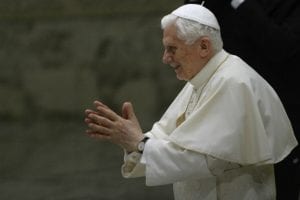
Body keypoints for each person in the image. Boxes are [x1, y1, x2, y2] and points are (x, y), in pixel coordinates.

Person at [84, 4, 298, 200]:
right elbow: (166, 134)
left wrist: (139, 144)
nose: (165, 58)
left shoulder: (233, 83)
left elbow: (204, 159)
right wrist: (132, 141)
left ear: (204, 46)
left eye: (172, 48)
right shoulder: (202, 78)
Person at [184, 0, 300, 199]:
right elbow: (189, 32)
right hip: (224, 111)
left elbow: (282, 45)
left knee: (281, 186)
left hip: (279, 111)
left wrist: (241, 3)